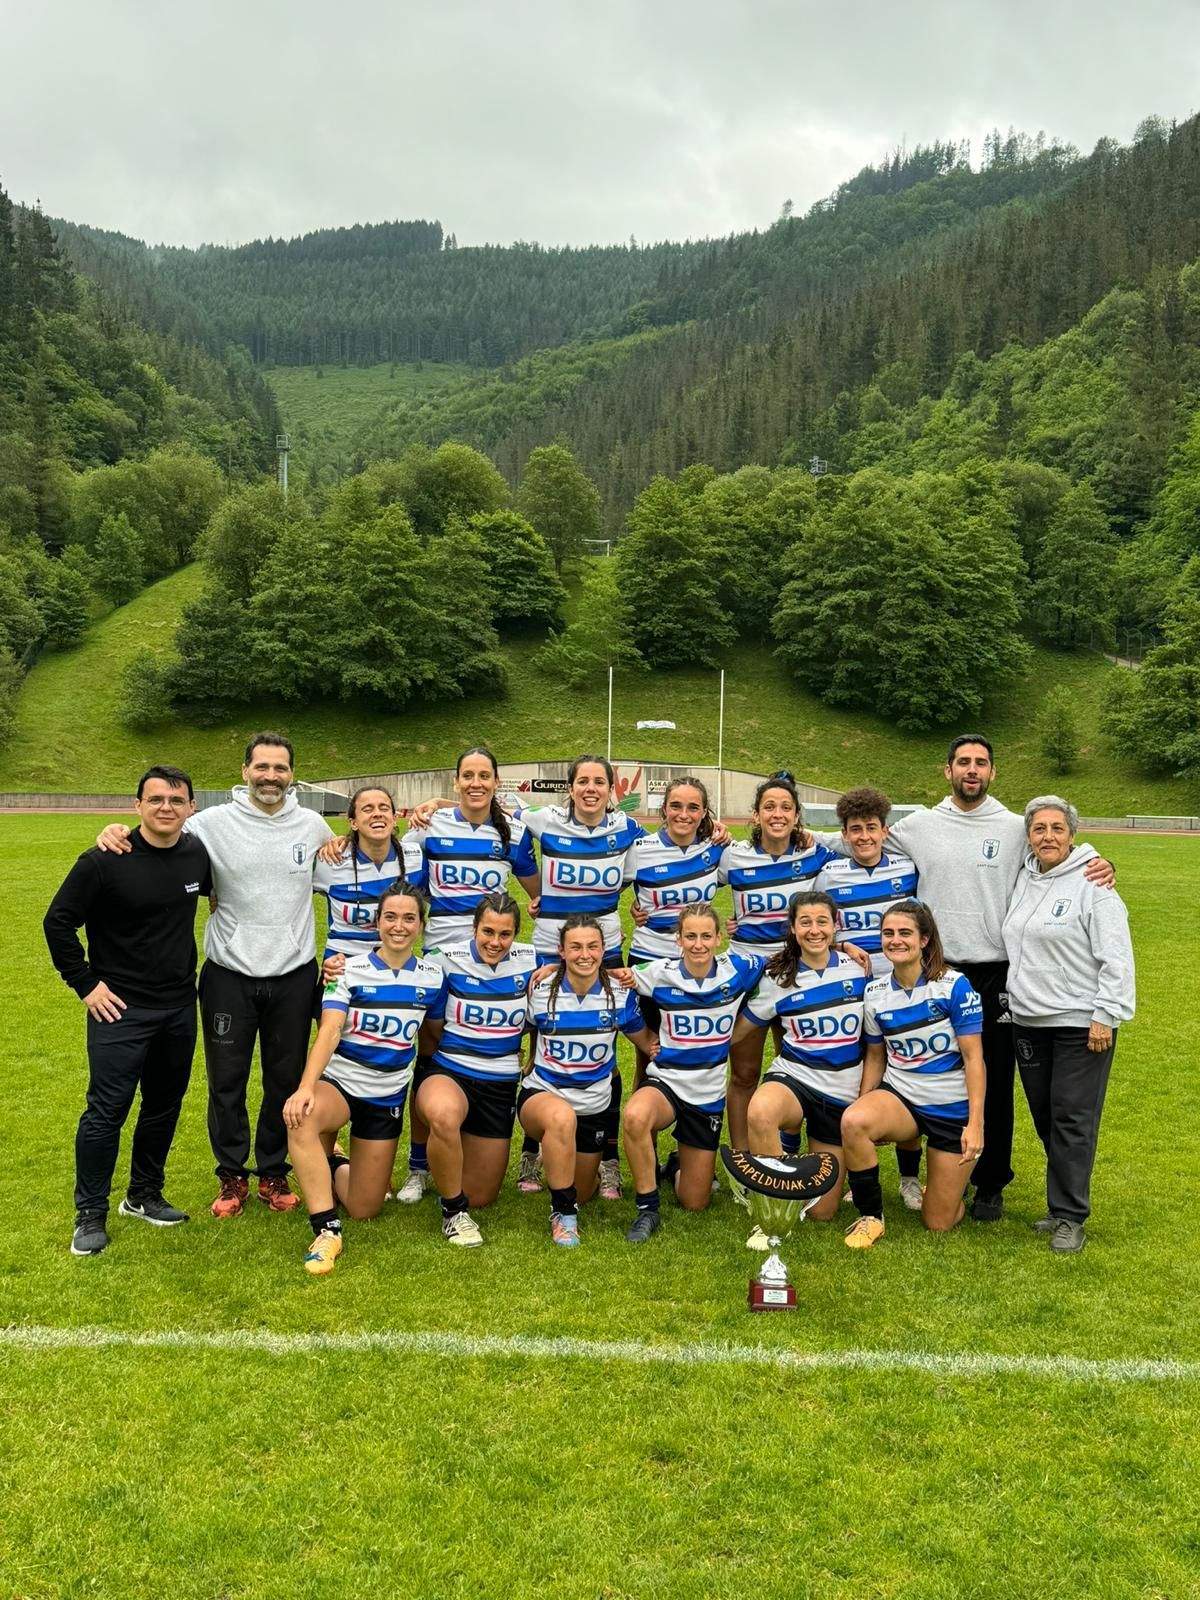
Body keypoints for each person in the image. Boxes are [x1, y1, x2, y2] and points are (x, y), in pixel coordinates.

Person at [813, 736, 1113, 1223]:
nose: (971, 770)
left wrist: (1101, 861)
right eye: (963, 762)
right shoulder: (921, 825)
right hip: (934, 967)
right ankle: (919, 1167)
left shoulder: (1015, 826)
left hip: (994, 973)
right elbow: (857, 835)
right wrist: (798, 836)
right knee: (915, 1066)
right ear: (946, 770)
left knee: (990, 1079)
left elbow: (1058, 844)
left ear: (993, 772)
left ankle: (990, 1182)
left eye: (981, 763)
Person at [97, 732, 333, 1218]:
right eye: (262, 767)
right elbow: (157, 839)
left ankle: (272, 1171)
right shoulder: (209, 824)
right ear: (245, 771)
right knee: (226, 1080)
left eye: (281, 768)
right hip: (228, 974)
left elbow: (354, 861)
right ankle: (231, 1177)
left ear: (293, 776)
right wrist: (113, 832)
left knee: (284, 1080)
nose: (271, 776)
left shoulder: (312, 825)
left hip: (293, 974)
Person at [45, 766, 212, 1257]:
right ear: (137, 805)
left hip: (180, 1005)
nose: (166, 807)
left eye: (176, 800)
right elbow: (57, 924)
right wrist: (86, 985)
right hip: (119, 1009)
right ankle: (90, 1213)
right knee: (107, 1110)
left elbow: (218, 894)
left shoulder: (195, 853)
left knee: (163, 1104)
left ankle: (142, 1195)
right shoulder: (103, 859)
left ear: (190, 808)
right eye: (156, 799)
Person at [384, 746, 539, 1203]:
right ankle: (418, 1167)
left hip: (492, 948)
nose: (476, 783)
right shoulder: (430, 826)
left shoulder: (511, 832)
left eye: (484, 775)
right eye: (467, 775)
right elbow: (403, 886)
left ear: (496, 781)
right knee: (430, 1056)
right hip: (438, 958)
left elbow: (538, 891)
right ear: (455, 782)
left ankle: (463, 1145)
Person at [283, 883, 447, 1275]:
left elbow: (433, 1035)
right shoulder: (347, 968)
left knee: (365, 1208)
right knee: (302, 1116)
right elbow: (330, 1030)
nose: (399, 926)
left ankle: (335, 1159)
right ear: (377, 922)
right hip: (341, 1084)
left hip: (386, 1095)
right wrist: (306, 1087)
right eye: (391, 917)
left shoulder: (433, 977)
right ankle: (326, 1229)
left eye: (410, 918)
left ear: (421, 925)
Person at [1003, 796, 1135, 1253]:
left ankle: (1071, 1217)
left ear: (1072, 835)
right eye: (1039, 829)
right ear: (1029, 837)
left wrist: (1106, 1014)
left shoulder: (1094, 882)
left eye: (1057, 829)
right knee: (1046, 1118)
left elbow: (1116, 956)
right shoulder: (1023, 877)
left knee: (1072, 1118)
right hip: (1028, 1021)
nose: (1048, 837)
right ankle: (1059, 1207)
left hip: (1082, 1023)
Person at [839, 900, 985, 1249]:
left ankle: (944, 1189)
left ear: (924, 940)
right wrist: (865, 1107)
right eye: (888, 933)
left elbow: (974, 1057)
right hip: (903, 1097)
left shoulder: (953, 986)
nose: (895, 940)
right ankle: (871, 1217)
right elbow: (875, 1057)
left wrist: (975, 1123)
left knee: (938, 1223)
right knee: (854, 1121)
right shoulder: (874, 993)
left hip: (951, 1109)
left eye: (905, 933)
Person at [730, 892, 869, 1244]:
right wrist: (687, 1045)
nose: (814, 930)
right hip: (795, 1077)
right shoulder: (777, 976)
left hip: (840, 1093)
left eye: (822, 922)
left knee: (823, 1212)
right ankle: (773, 1211)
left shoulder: (859, 969)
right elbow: (740, 1030)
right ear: (792, 928)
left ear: (835, 926)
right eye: (805, 922)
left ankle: (797, 1169)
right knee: (761, 1112)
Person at [619, 904, 761, 1242]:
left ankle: (679, 1163)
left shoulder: (739, 968)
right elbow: (615, 984)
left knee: (695, 1202)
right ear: (678, 939)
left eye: (706, 936)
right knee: (636, 1116)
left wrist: (844, 948)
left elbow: (778, 968)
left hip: (708, 1095)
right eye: (691, 936)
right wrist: (644, 1037)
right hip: (667, 1082)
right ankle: (647, 1208)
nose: (699, 944)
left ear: (719, 938)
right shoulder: (659, 972)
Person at [815, 786, 923, 1211]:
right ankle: (848, 1168)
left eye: (871, 828)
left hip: (903, 994)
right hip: (851, 997)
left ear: (885, 830)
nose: (864, 837)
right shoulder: (830, 876)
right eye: (855, 830)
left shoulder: (907, 869)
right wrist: (841, 948)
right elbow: (819, 928)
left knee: (906, 1078)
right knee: (850, 1076)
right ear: (843, 834)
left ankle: (910, 1179)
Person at [520, 914, 658, 1246]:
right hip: (543, 1096)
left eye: (593, 946)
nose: (585, 954)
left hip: (593, 1107)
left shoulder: (618, 995)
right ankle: (563, 1216)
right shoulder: (539, 988)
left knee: (582, 1190)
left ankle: (568, 1164)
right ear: (561, 952)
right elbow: (508, 1032)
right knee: (560, 1118)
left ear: (604, 949)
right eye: (576, 947)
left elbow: (648, 1043)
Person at [721, 772, 840, 1147]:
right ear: (755, 815)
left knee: (797, 1069)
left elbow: (860, 847)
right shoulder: (732, 856)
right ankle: (743, 1160)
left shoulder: (815, 855)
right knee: (744, 1073)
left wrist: (847, 944)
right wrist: (643, 913)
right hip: (749, 975)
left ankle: (791, 1147)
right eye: (769, 806)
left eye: (786, 807)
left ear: (796, 815)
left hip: (797, 973)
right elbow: (688, 884)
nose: (777, 814)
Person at [413, 892, 538, 1247]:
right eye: (487, 932)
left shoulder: (531, 960)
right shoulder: (445, 960)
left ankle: (452, 1164)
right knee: (443, 1113)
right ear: (474, 928)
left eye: (505, 934)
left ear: (516, 934)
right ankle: (453, 1212)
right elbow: (433, 1026)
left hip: (499, 1083)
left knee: (481, 1195)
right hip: (450, 1070)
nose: (495, 942)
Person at [312, 786, 404, 963]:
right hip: (340, 970)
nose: (377, 813)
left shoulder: (414, 858)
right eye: (367, 809)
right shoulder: (331, 860)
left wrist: (437, 802)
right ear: (353, 823)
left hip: (392, 970)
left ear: (394, 817)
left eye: (384, 808)